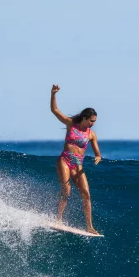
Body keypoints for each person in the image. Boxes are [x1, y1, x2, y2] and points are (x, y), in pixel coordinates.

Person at [50, 84, 102, 235]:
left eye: (94, 121)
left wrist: (98, 157)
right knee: (67, 189)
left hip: (78, 165)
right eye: (91, 121)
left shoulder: (91, 135)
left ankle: (89, 226)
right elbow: (55, 111)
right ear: (84, 118)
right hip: (65, 160)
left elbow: (97, 152)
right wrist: (53, 94)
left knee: (86, 194)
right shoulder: (70, 124)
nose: (93, 124)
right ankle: (58, 219)